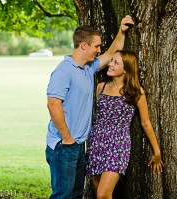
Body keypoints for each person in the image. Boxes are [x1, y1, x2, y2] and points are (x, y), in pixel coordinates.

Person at [45, 15, 134, 199]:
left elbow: (111, 53)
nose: (99, 50)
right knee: (62, 196)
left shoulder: (88, 68)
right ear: (84, 46)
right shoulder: (64, 71)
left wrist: (122, 30)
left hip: (78, 146)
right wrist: (67, 138)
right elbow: (53, 104)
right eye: (96, 46)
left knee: (76, 195)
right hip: (64, 146)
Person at [86, 50, 163, 199]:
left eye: (116, 62)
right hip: (96, 143)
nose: (110, 64)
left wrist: (157, 151)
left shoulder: (135, 92)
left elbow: (145, 123)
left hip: (118, 146)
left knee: (103, 194)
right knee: (98, 193)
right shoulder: (100, 87)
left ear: (126, 68)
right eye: (111, 60)